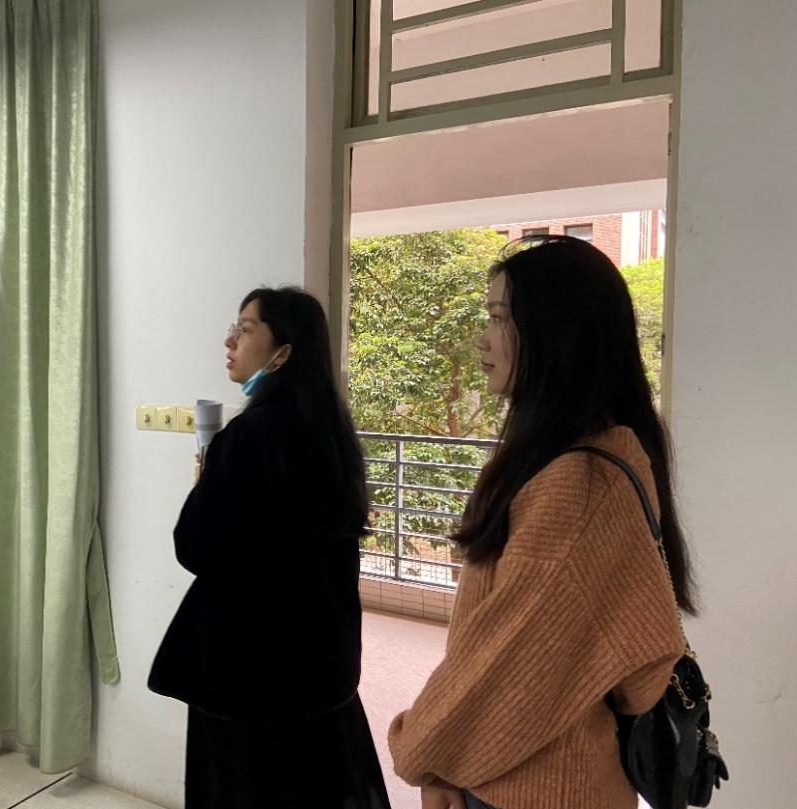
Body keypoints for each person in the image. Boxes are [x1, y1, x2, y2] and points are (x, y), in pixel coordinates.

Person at [388, 236, 694, 809]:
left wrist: (424, 755)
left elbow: (508, 667)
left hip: (535, 787)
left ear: (557, 331)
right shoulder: (578, 452)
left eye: (499, 317)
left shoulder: (578, 482)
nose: (482, 338)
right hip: (530, 777)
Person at [149, 286, 391, 809]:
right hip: (319, 662)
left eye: (245, 329)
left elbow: (195, 548)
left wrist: (204, 485)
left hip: (249, 670)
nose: (229, 341)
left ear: (282, 353)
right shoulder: (332, 435)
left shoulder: (248, 435)